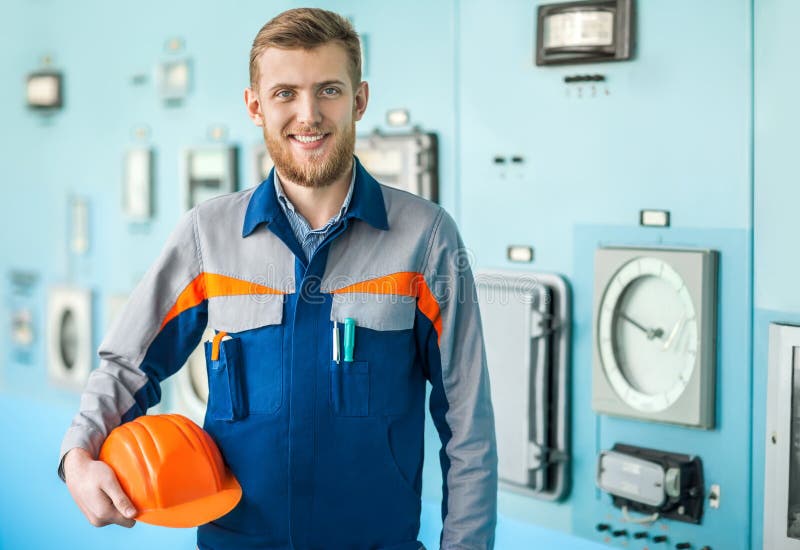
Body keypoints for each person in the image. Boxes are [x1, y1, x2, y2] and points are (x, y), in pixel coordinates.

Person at [59, 7, 497, 550]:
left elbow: (468, 427)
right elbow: (127, 365)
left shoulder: (426, 239)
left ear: (360, 99)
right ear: (255, 106)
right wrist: (78, 456)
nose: (308, 115)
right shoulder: (208, 237)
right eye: (285, 93)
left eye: (329, 91)